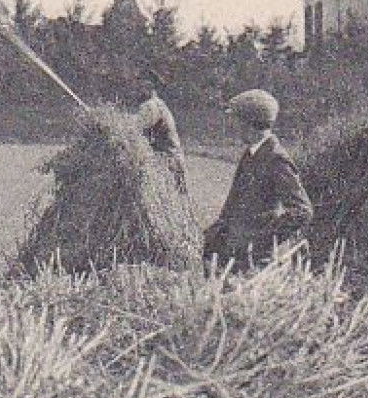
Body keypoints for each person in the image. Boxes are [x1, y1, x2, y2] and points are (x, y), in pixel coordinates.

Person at [202, 88, 313, 272]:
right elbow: (231, 210)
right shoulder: (251, 153)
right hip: (232, 255)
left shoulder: (276, 159)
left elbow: (302, 211)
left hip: (253, 264)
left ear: (249, 123)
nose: (233, 127)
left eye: (236, 121)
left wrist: (261, 240)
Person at [132, 73, 187, 192]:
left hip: (166, 163)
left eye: (141, 87)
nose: (137, 90)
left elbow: (134, 128)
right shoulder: (159, 103)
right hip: (173, 161)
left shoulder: (150, 106)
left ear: (150, 88)